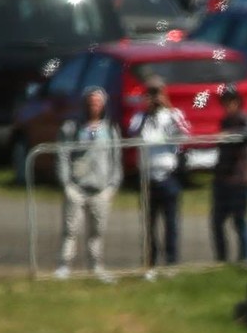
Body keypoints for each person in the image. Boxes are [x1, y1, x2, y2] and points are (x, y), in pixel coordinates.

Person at [55, 86, 122, 281]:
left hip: (101, 190)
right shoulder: (72, 127)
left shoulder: (110, 130)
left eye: (98, 102)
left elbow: (116, 159)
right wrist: (67, 184)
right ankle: (64, 265)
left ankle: (96, 266)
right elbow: (63, 155)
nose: (94, 106)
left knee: (97, 231)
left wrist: (112, 186)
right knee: (70, 230)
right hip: (77, 188)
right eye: (91, 102)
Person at [127, 76, 190, 272]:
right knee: (149, 225)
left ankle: (171, 263)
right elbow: (132, 133)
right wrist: (145, 110)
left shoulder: (174, 114)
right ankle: (150, 264)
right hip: (147, 178)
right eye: (150, 93)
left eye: (157, 92)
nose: (154, 97)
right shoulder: (140, 118)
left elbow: (186, 133)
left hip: (168, 176)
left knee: (171, 224)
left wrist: (169, 108)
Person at [211, 85, 247, 264]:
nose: (228, 105)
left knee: (240, 221)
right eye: (225, 102)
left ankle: (245, 259)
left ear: (238, 102)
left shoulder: (243, 119)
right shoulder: (224, 121)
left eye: (231, 101)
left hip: (241, 180)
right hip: (224, 178)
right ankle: (221, 259)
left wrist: (230, 135)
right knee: (217, 222)